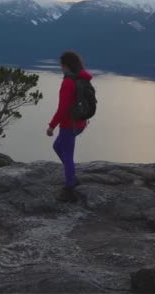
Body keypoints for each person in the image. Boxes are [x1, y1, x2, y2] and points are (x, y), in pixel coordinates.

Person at [46, 51, 93, 202]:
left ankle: (70, 186)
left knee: (67, 155)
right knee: (57, 147)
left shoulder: (68, 82)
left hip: (69, 125)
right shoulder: (82, 77)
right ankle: (71, 174)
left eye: (61, 65)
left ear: (66, 65)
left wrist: (52, 126)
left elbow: (63, 108)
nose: (61, 68)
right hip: (80, 123)